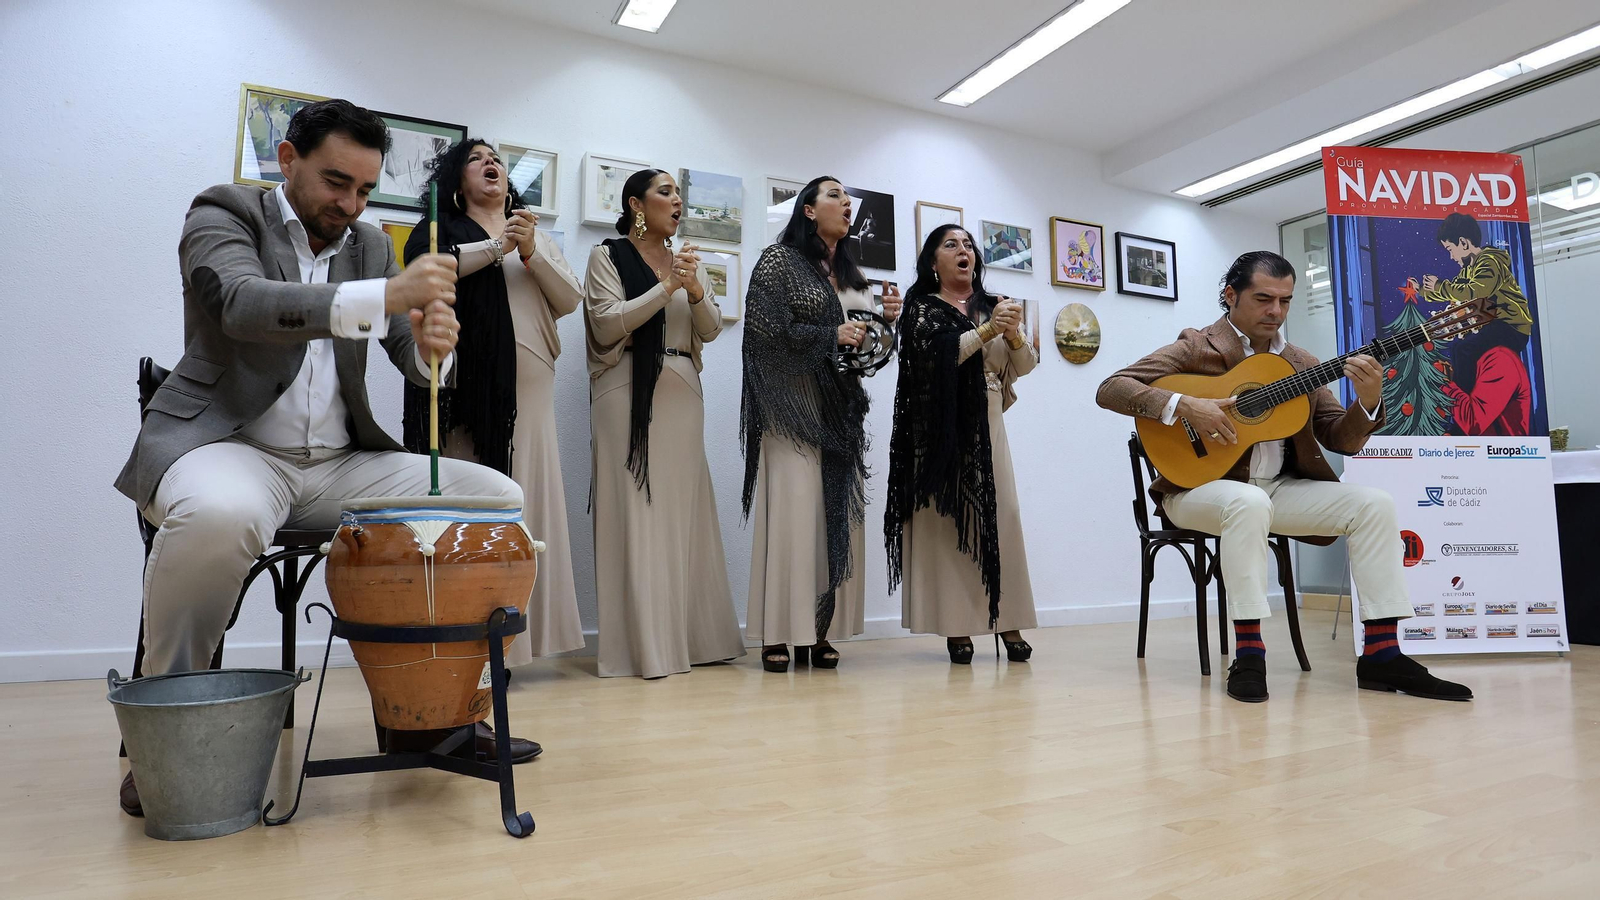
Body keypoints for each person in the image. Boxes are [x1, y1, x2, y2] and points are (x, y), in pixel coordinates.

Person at [114, 100, 541, 817]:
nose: (350, 204)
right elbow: (241, 306)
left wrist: (438, 347)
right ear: (288, 160)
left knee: (497, 498)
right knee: (221, 516)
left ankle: (435, 714)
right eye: (336, 183)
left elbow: (413, 360)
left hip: (342, 463)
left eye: (366, 191)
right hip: (231, 446)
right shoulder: (224, 212)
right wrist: (382, 295)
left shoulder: (370, 245)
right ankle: (169, 729)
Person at [1096, 250, 1474, 703]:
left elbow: (1340, 438)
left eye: (1286, 301)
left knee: (1374, 503)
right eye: (1262, 299)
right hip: (1197, 489)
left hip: (1279, 491)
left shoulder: (1301, 362)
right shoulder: (1198, 346)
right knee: (1246, 503)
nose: (1275, 311)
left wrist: (1369, 400)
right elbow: (1112, 388)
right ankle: (1250, 652)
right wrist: (1185, 405)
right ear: (1230, 296)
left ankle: (1382, 654)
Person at [399, 139, 584, 664]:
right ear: (457, 182)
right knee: (474, 508)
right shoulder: (440, 231)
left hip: (532, 390)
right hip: (468, 397)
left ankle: (519, 645)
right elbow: (428, 270)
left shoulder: (535, 237)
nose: (490, 163)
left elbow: (568, 300)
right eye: (476, 158)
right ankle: (467, 642)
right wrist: (499, 246)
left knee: (527, 502)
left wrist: (528, 251)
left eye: (496, 158)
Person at [582, 168, 745, 678]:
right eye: (666, 192)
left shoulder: (685, 261)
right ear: (636, 204)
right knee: (634, 512)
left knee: (682, 515)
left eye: (679, 194)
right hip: (624, 388)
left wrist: (693, 289)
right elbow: (607, 322)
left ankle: (691, 641)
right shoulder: (607, 255)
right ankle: (644, 649)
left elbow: (712, 329)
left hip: (682, 393)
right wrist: (665, 286)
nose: (677, 201)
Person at [740, 176, 901, 672]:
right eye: (834, 195)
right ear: (808, 210)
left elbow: (866, 356)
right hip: (791, 408)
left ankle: (816, 630)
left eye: (847, 197)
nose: (846, 202)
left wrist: (885, 324)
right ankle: (775, 634)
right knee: (791, 515)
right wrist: (831, 333)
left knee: (833, 518)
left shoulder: (853, 275)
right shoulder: (778, 261)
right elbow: (762, 335)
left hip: (840, 410)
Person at [884, 225, 1039, 665]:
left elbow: (1025, 366)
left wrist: (1011, 334)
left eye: (968, 244)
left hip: (987, 420)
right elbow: (940, 357)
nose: (963, 250)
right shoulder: (921, 308)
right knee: (951, 522)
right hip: (940, 427)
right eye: (951, 245)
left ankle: (1008, 621)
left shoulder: (994, 306)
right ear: (934, 263)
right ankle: (958, 625)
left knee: (1001, 515)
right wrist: (991, 329)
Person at [1410, 212, 1535, 435]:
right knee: (1463, 347)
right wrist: (1423, 291)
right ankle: (1466, 399)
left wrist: (1439, 286)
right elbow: (1455, 291)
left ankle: (1464, 401)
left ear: (1464, 243)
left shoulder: (1490, 261)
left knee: (1464, 347)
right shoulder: (1469, 268)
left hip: (1511, 326)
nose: (1451, 257)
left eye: (1450, 250)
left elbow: (1477, 291)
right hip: (1494, 323)